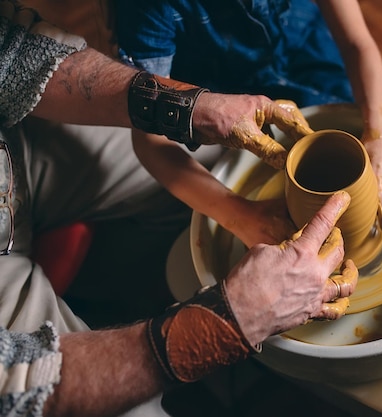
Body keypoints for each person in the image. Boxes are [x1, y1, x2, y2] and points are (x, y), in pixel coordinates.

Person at [0, 2, 358, 416]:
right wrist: (227, 323)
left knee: (217, 171)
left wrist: (185, 107)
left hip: (14, 142)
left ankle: (115, 298)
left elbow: (12, 54)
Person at [111, 0, 382, 248]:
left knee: (374, 132)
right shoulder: (144, 7)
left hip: (307, 55)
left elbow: (357, 43)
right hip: (218, 93)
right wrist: (239, 215)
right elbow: (149, 140)